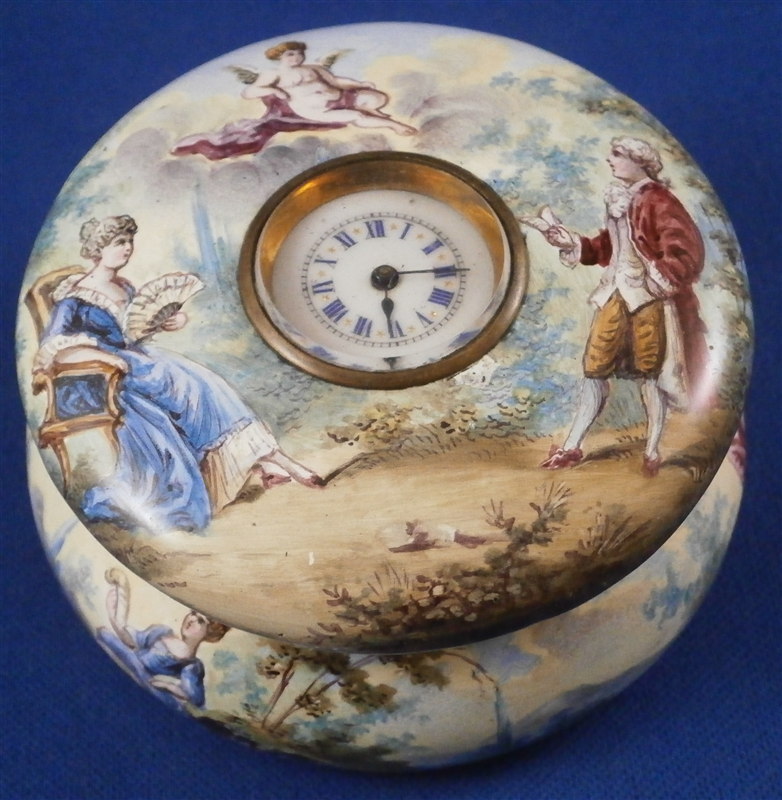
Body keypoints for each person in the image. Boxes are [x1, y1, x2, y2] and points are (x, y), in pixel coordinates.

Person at [34, 215, 322, 532]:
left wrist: (169, 322)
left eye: (129, 241)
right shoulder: (74, 298)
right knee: (192, 385)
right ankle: (270, 461)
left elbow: (136, 331)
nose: (127, 248)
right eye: (119, 243)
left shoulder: (125, 287)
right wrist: (104, 356)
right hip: (103, 375)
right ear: (98, 249)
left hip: (139, 364)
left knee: (205, 384)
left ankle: (270, 460)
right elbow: (53, 347)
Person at [531, 137, 708, 476]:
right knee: (594, 368)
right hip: (615, 293)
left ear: (639, 161)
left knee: (650, 373)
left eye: (617, 155)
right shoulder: (619, 197)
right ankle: (572, 446)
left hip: (649, 298)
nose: (610, 160)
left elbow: (686, 250)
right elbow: (606, 248)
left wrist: (660, 280)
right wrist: (569, 241)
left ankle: (652, 449)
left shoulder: (659, 199)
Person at [172, 41, 415, 160]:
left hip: (338, 98)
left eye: (299, 53)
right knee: (356, 115)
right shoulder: (273, 74)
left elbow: (336, 80)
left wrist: (360, 84)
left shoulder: (313, 68)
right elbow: (249, 93)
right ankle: (393, 125)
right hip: (312, 110)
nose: (296, 57)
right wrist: (275, 91)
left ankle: (380, 115)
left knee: (377, 98)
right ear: (279, 57)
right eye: (291, 54)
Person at [97, 569, 228, 710]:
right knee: (105, 634)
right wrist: (113, 615)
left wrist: (168, 686)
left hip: (145, 677)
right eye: (193, 613)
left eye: (200, 621)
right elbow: (131, 641)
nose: (192, 619)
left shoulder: (192, 665)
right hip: (132, 660)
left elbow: (195, 698)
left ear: (209, 634)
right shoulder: (162, 631)